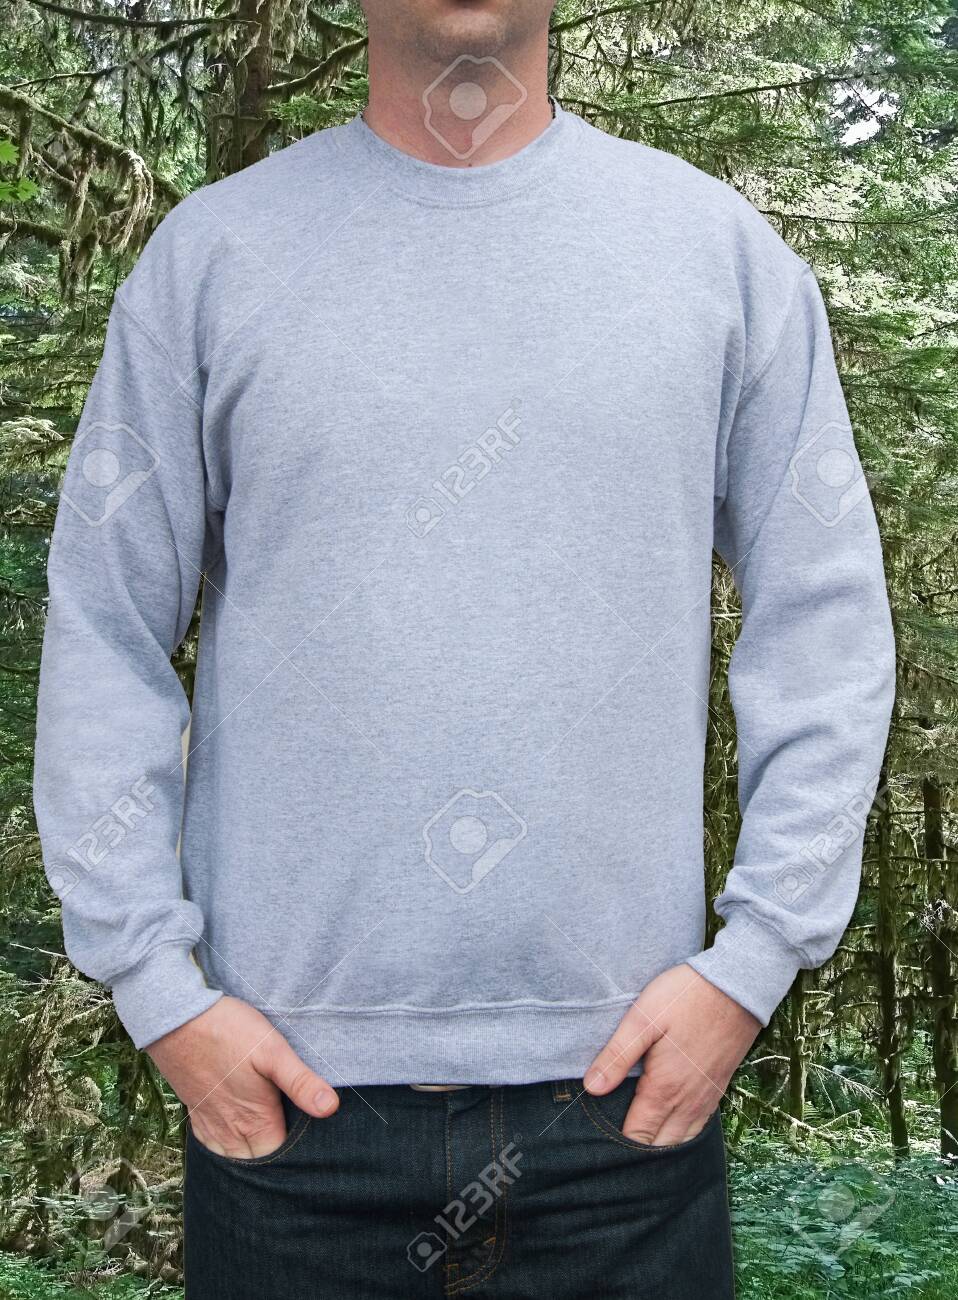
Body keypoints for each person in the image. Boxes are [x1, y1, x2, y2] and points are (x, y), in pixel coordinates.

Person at [33, 1, 896, 1295]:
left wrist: (758, 957)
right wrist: (159, 992)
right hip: (287, 1120)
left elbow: (825, 621)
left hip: (627, 1113)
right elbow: (104, 626)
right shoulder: (212, 258)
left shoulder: (716, 254)